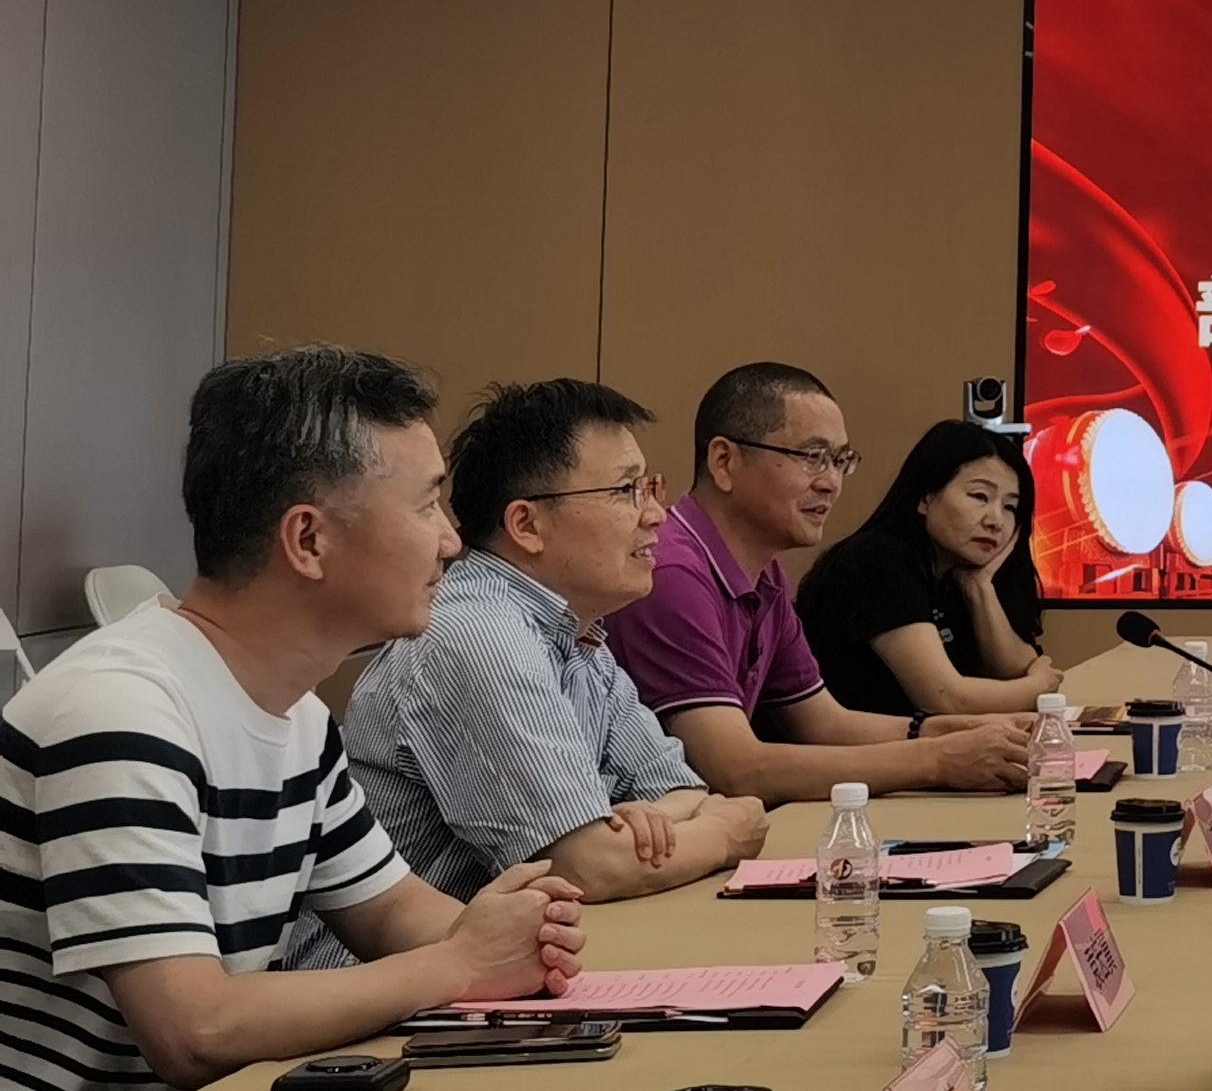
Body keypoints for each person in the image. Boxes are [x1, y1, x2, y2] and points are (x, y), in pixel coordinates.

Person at [0, 348, 583, 1091]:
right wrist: (461, 964)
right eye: (426, 505)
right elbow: (195, 1029)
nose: (451, 541)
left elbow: (392, 914)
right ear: (308, 539)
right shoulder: (120, 711)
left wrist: (519, 936)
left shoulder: (295, 714)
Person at [346, 379, 771, 904]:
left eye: (649, 487)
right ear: (527, 524)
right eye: (625, 490)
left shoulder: (578, 635)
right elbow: (584, 869)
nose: (656, 514)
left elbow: (680, 789)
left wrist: (640, 824)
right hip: (411, 955)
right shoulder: (479, 635)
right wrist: (725, 834)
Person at [602, 362, 1031, 805]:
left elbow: (823, 723)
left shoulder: (766, 574)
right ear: (724, 461)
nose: (830, 483)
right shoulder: (671, 574)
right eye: (812, 457)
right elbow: (735, 768)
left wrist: (958, 731)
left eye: (840, 461)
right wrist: (938, 759)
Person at [797, 420, 1064, 719]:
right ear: (925, 498)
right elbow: (945, 699)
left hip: (926, 745)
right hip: (851, 748)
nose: (996, 521)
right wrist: (1039, 687)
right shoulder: (879, 559)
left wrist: (979, 587)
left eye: (1010, 507)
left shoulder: (956, 574)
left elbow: (1015, 672)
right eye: (979, 496)